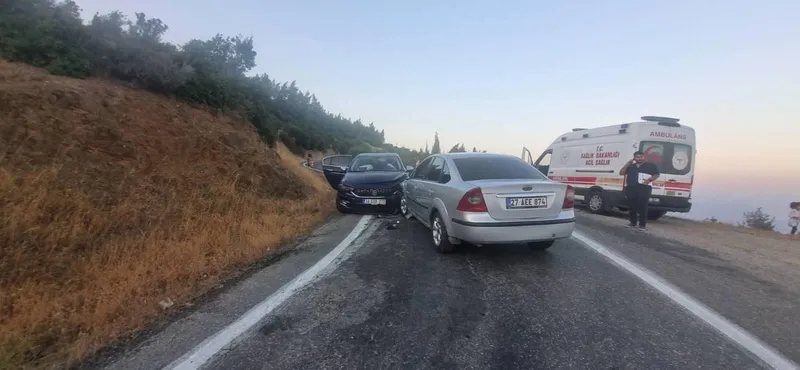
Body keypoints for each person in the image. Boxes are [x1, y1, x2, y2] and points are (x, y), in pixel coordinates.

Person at [619, 150, 660, 230]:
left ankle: (642, 225)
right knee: (632, 206)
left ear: (644, 157)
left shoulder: (650, 165)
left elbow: (657, 174)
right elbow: (621, 173)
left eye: (641, 156)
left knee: (643, 206)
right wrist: (628, 163)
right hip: (631, 188)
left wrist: (649, 180)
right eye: (637, 157)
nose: (639, 158)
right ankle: (632, 223)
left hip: (644, 188)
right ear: (634, 158)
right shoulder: (631, 166)